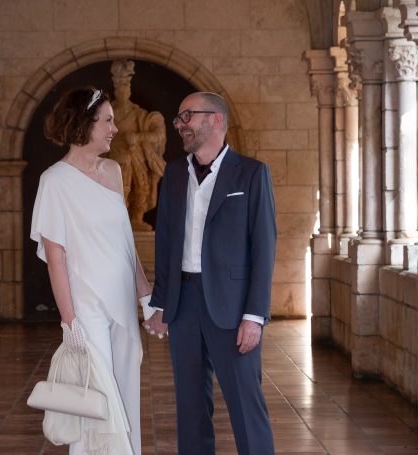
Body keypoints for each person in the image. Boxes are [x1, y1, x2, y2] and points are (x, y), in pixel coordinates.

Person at [144, 92, 277, 454]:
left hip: (233, 309)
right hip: (183, 304)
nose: (180, 124)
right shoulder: (173, 173)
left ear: (216, 120)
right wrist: (160, 303)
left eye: (188, 115)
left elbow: (264, 249)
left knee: (246, 406)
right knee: (189, 406)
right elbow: (167, 242)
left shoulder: (251, 172)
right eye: (179, 118)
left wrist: (254, 316)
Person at [30, 87, 152, 455]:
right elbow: (56, 259)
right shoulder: (54, 181)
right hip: (86, 307)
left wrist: (145, 295)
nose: (115, 128)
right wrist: (70, 322)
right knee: (96, 400)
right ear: (84, 124)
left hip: (122, 303)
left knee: (125, 390)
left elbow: (125, 242)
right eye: (108, 121)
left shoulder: (113, 171)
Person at [109, 59, 166, 231]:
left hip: (137, 158)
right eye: (119, 87)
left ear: (129, 90)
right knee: (119, 190)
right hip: (115, 157)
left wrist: (139, 137)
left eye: (126, 87)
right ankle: (118, 220)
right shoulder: (107, 113)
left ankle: (136, 219)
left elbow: (158, 134)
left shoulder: (140, 115)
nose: (123, 91)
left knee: (141, 187)